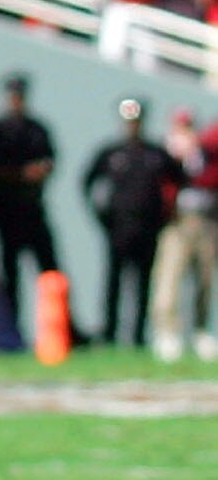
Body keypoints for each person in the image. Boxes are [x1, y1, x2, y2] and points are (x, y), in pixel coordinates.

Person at [83, 98, 174, 347]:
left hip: (147, 228)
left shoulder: (156, 153)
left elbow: (178, 181)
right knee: (114, 283)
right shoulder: (112, 152)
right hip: (118, 229)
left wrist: (164, 216)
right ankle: (110, 334)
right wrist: (101, 216)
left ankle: (138, 337)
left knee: (143, 284)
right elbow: (87, 182)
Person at [0, 72, 59, 308]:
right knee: (8, 272)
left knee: (49, 269)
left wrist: (40, 171)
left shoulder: (37, 129)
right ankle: (10, 326)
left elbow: (50, 161)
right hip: (7, 209)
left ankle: (64, 326)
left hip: (33, 208)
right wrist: (20, 173)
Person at [151, 113, 218, 362]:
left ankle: (200, 330)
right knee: (169, 277)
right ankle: (167, 331)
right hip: (177, 222)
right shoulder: (167, 156)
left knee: (204, 279)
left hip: (206, 221)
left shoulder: (207, 154)